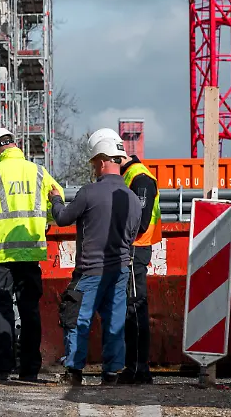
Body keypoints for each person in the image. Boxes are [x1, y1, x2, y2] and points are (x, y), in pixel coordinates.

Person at [0, 127, 62, 381]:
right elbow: (58, 203)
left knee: (1, 309)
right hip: (30, 254)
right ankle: (30, 368)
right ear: (15, 145)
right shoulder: (39, 172)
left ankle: (3, 366)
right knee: (30, 309)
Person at [49, 136, 141, 386]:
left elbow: (63, 218)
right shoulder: (132, 198)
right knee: (114, 322)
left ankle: (74, 371)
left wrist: (55, 199)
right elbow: (135, 234)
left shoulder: (89, 192)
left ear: (100, 162)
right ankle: (111, 374)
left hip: (90, 271)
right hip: (120, 270)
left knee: (76, 318)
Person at [88, 128, 160, 385]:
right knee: (129, 308)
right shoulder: (130, 175)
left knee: (134, 308)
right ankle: (133, 367)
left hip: (135, 250)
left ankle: (139, 369)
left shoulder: (139, 179)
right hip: (129, 249)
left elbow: (139, 223)